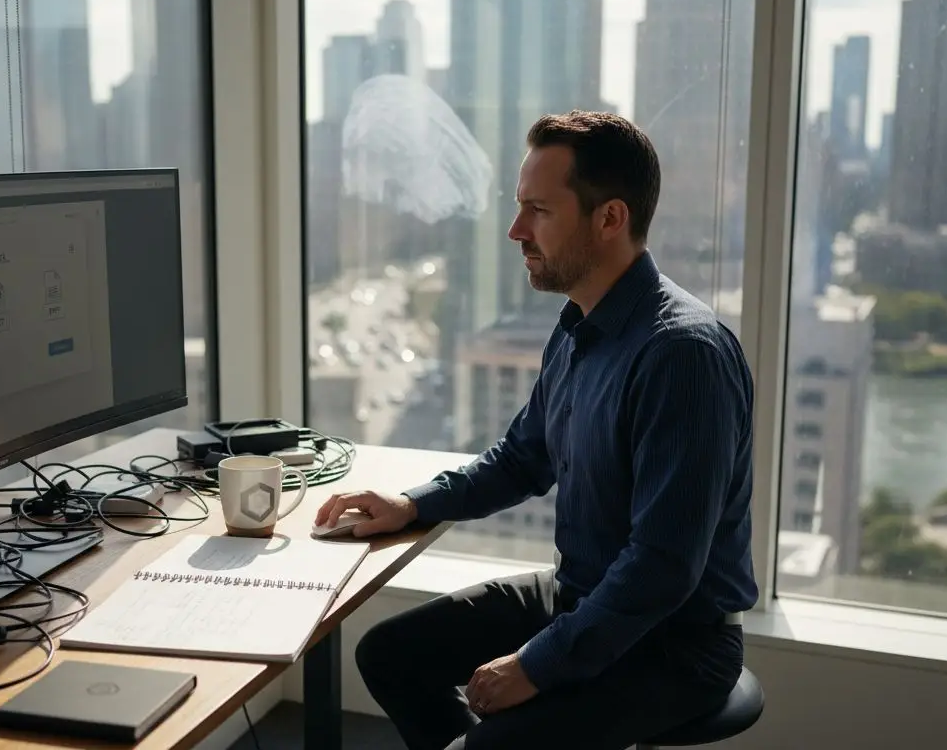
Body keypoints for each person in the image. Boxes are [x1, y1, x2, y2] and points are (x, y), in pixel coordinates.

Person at [314, 110, 758, 750]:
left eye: (538, 211)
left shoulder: (682, 355)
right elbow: (522, 458)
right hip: (582, 595)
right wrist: (412, 503)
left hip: (674, 643)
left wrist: (535, 666)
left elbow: (662, 568)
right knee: (389, 654)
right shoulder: (580, 322)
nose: (516, 230)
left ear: (610, 218)